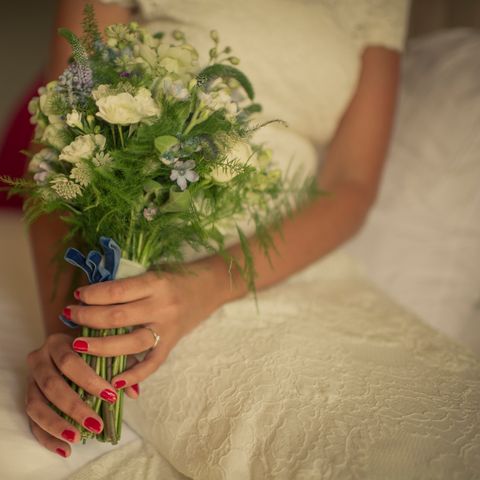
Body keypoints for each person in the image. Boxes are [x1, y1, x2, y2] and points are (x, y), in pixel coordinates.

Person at [24, 0, 408, 461]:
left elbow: (352, 185)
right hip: (144, 273)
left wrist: (208, 283)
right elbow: (57, 154)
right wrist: (73, 332)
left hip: (290, 268)